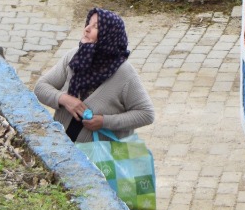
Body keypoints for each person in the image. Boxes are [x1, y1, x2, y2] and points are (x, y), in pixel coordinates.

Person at [33, 9, 155, 143]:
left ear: (109, 36)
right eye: (88, 24)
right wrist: (64, 99)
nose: (87, 29)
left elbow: (146, 114)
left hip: (100, 159)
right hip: (60, 145)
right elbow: (40, 87)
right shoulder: (75, 57)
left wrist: (104, 121)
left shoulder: (124, 73)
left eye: (95, 27)